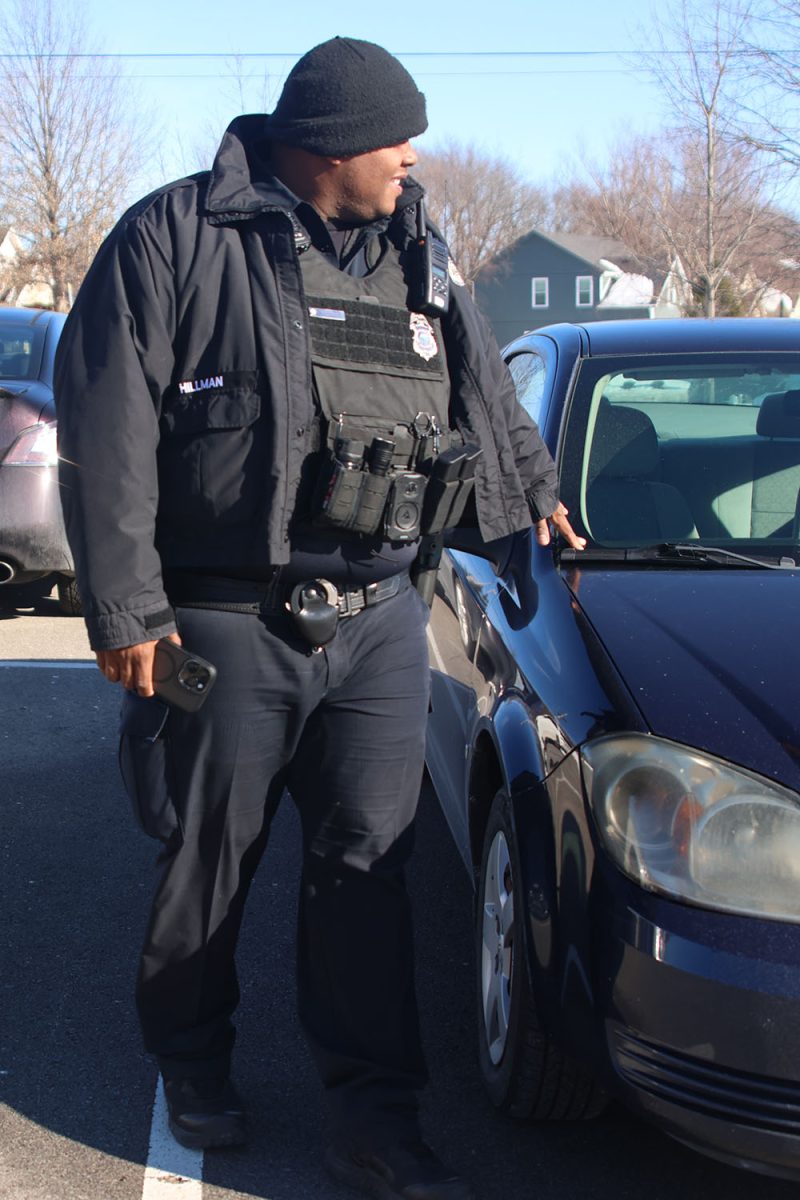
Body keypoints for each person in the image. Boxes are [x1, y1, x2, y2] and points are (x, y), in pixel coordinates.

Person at [55, 35, 585, 1200]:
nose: (410, 155)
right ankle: (192, 1063)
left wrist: (534, 500)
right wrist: (126, 611)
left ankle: (373, 1118)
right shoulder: (175, 237)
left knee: (367, 865)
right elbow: (105, 430)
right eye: (395, 136)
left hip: (380, 618)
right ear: (328, 143)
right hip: (221, 621)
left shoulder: (419, 254)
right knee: (208, 858)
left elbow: (484, 391)